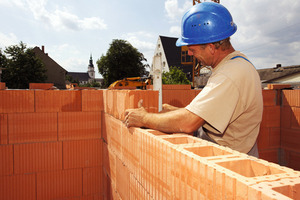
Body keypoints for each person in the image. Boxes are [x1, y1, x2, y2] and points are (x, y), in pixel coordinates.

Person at [124, 2, 263, 157]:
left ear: (211, 47)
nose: (189, 54)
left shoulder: (229, 74)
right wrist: (179, 112)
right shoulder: (236, 64)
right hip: (232, 152)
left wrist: (143, 118)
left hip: (231, 162)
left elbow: (188, 123)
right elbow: (208, 115)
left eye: (192, 49)